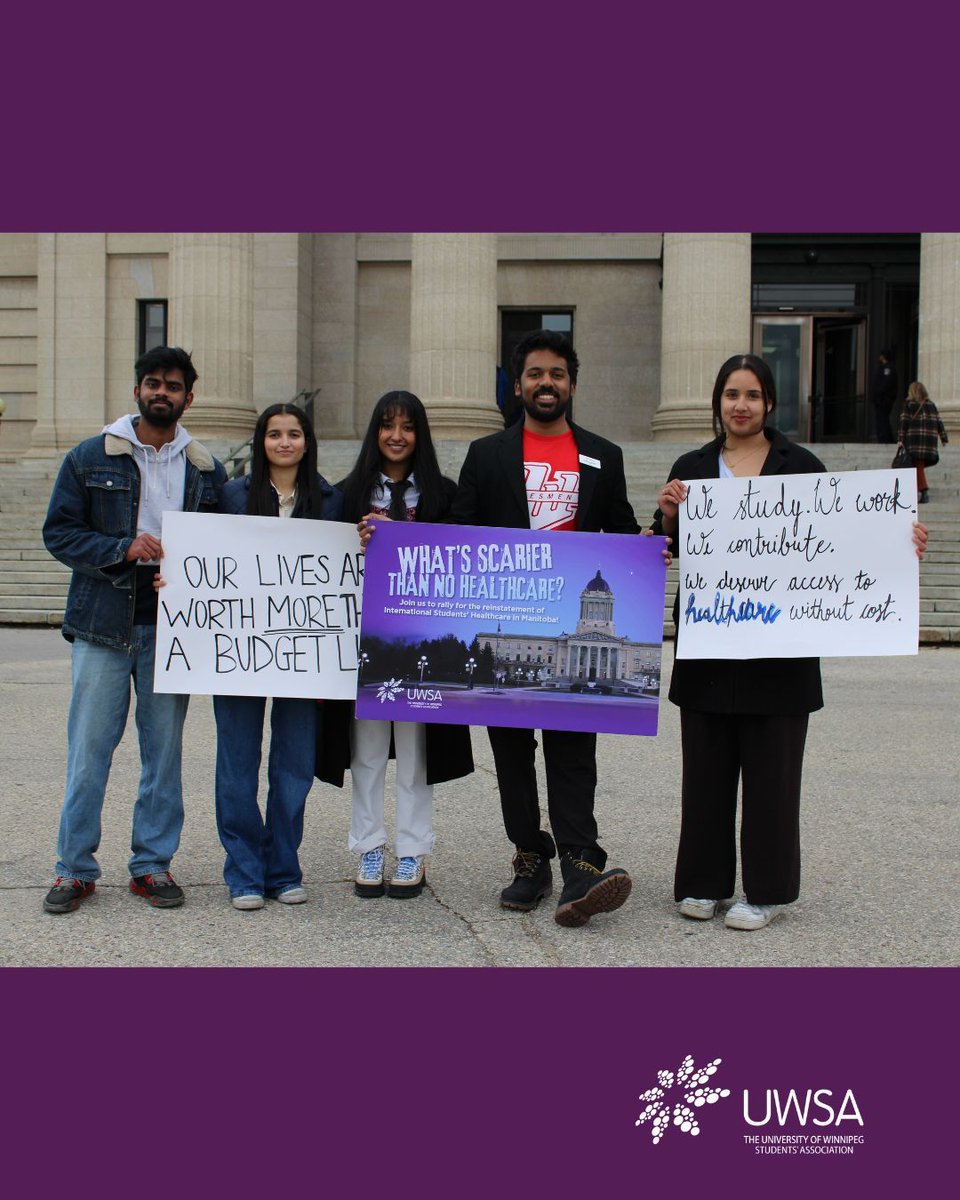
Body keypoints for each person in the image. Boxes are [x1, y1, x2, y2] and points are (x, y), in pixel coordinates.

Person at [653, 353, 928, 931]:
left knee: (773, 780)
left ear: (770, 403)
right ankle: (703, 883)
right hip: (709, 645)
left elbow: (845, 538)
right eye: (732, 394)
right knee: (704, 776)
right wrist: (667, 517)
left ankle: (767, 891)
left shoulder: (801, 466)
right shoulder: (692, 467)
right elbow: (664, 548)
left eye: (752, 395)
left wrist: (899, 543)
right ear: (718, 402)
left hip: (781, 653)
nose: (741, 405)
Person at [448, 330, 637, 928]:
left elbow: (624, 533)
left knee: (574, 752)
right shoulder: (487, 454)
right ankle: (531, 856)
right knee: (511, 755)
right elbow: (459, 533)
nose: (546, 383)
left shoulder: (604, 455)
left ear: (572, 384)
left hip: (567, 615)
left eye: (557, 373)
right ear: (519, 385)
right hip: (514, 610)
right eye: (535, 373)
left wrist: (650, 548)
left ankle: (581, 862)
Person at [41, 346, 225, 913]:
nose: (161, 392)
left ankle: (151, 864)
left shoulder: (206, 468)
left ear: (188, 398)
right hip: (102, 624)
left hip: (172, 628)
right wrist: (122, 548)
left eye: (172, 385)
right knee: (88, 753)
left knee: (163, 756)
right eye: (152, 383)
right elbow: (59, 533)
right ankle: (74, 869)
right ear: (137, 390)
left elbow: (224, 550)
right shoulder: (89, 456)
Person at [318, 391, 474, 899]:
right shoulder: (346, 494)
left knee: (415, 751)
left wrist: (407, 536)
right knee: (365, 750)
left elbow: (459, 552)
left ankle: (412, 850)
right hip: (364, 639)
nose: (397, 436)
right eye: (388, 425)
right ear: (375, 432)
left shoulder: (443, 494)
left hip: (419, 639)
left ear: (420, 434)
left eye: (408, 426)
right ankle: (367, 844)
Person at [213, 404, 342, 910]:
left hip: (303, 655)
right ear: (260, 441)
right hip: (240, 650)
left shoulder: (330, 501)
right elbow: (207, 558)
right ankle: (244, 872)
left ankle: (284, 868)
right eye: (274, 434)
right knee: (237, 765)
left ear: (307, 442)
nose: (284, 442)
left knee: (295, 767)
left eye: (293, 434)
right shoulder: (231, 496)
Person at [897, 381, 948, 503]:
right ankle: (917, 492)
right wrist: (943, 438)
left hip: (914, 441)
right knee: (917, 465)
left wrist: (900, 439)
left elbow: (904, 422)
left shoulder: (909, 404)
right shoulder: (931, 405)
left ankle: (923, 491)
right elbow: (939, 422)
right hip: (929, 441)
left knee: (916, 464)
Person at [871, 349, 898, 444]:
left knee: (883, 419)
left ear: (883, 356)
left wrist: (878, 393)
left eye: (880, 355)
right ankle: (885, 438)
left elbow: (885, 384)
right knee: (881, 419)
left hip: (884, 399)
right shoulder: (882, 368)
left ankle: (885, 438)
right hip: (880, 399)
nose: (879, 357)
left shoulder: (888, 368)